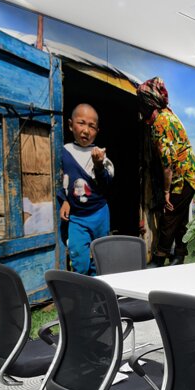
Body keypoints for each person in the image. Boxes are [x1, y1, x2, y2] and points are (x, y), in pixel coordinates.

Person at [137, 77, 195, 266]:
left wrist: (166, 192)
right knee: (181, 217)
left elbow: (167, 164)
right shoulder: (169, 114)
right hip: (192, 174)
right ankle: (179, 256)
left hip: (183, 177)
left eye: (141, 104)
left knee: (170, 215)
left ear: (148, 103)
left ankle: (159, 258)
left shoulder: (159, 123)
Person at [56, 103, 113, 275]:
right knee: (78, 257)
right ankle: (81, 290)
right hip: (77, 217)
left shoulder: (99, 154)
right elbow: (58, 179)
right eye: (81, 123)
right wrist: (64, 200)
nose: (86, 130)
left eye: (92, 126)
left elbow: (106, 184)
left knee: (100, 257)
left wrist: (99, 165)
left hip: (99, 213)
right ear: (70, 124)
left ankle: (98, 288)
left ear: (97, 130)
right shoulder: (64, 151)